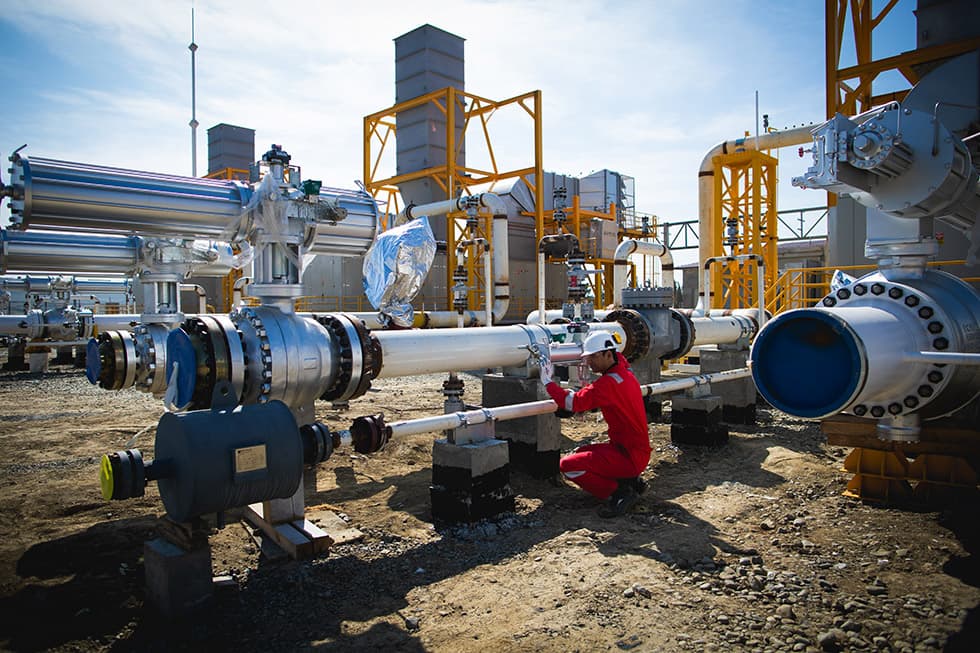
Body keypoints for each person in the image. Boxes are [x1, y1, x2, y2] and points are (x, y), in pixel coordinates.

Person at [539, 331, 651, 517]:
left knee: (568, 465)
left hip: (628, 457)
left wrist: (547, 382)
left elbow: (572, 403)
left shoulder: (609, 383)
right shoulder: (623, 372)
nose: (589, 362)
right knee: (581, 452)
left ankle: (619, 494)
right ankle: (631, 481)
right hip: (633, 451)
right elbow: (596, 394)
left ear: (608, 354)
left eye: (593, 357)